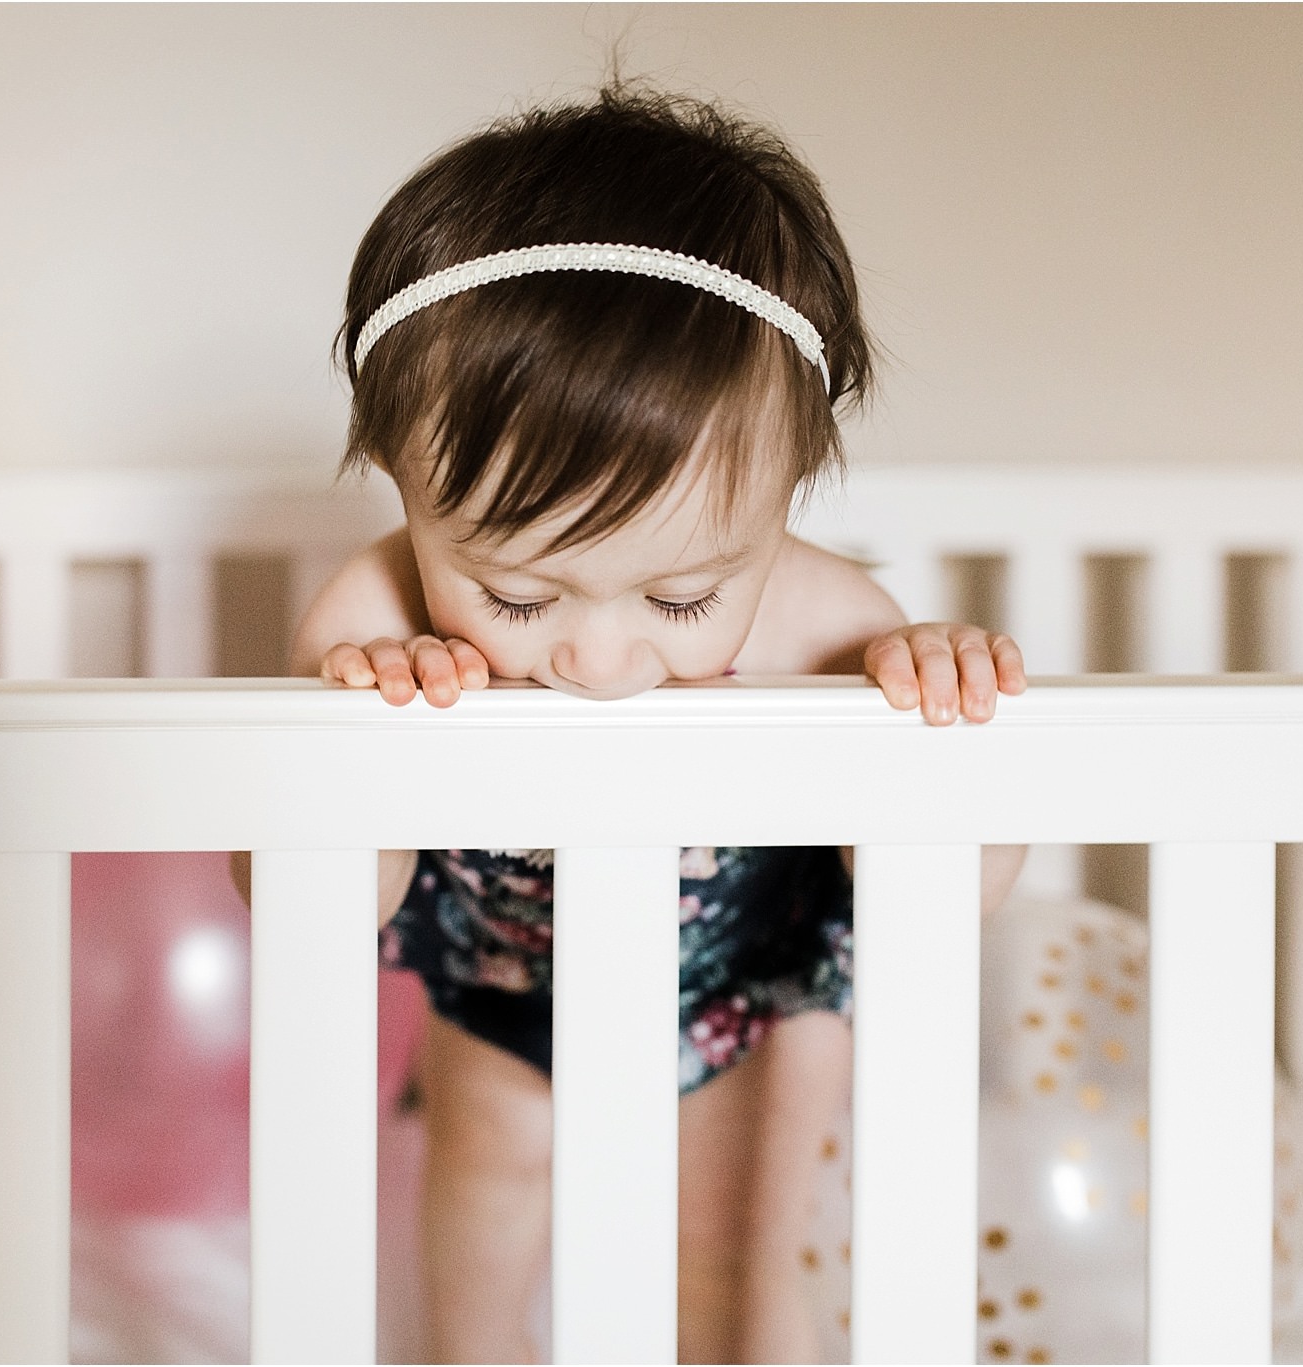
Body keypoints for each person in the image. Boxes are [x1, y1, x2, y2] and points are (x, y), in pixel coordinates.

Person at [292, 84, 1026, 1363]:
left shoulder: (831, 621)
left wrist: (925, 713)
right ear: (402, 487)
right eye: (515, 593)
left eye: (684, 596)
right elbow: (301, 894)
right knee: (481, 1198)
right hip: (510, 980)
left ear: (785, 496)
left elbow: (944, 896)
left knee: (731, 1258)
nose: (598, 657)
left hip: (741, 986)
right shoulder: (375, 609)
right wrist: (372, 743)